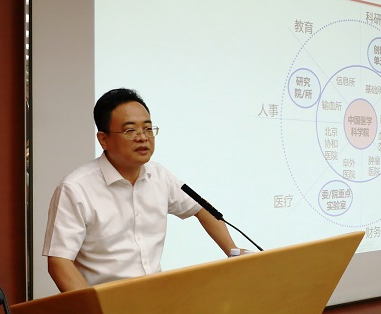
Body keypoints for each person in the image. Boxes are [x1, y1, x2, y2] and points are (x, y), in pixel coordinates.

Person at [43, 88, 240, 292]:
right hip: (108, 301)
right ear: (103, 139)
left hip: (155, 299)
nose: (143, 137)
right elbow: (59, 262)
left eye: (147, 129)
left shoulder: (159, 175)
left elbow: (202, 208)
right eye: (130, 131)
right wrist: (93, 307)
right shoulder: (75, 189)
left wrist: (233, 251)